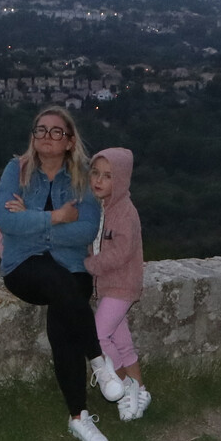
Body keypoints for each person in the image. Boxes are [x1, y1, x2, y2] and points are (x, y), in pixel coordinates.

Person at [0, 105, 117, 441]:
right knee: (60, 286)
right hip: (23, 267)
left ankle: (78, 417)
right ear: (33, 137)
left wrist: (35, 220)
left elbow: (87, 229)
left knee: (63, 316)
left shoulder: (83, 176)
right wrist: (58, 217)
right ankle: (99, 361)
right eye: (41, 130)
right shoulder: (15, 171)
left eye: (56, 131)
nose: (47, 136)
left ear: (69, 141)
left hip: (71, 267)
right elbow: (7, 223)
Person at [86, 146, 150, 421]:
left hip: (122, 285)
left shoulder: (125, 212)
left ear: (121, 179)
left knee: (98, 336)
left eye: (108, 176)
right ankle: (141, 391)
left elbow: (120, 252)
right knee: (122, 343)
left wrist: (87, 266)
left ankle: (125, 388)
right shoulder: (99, 207)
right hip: (107, 286)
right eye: (96, 173)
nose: (99, 180)